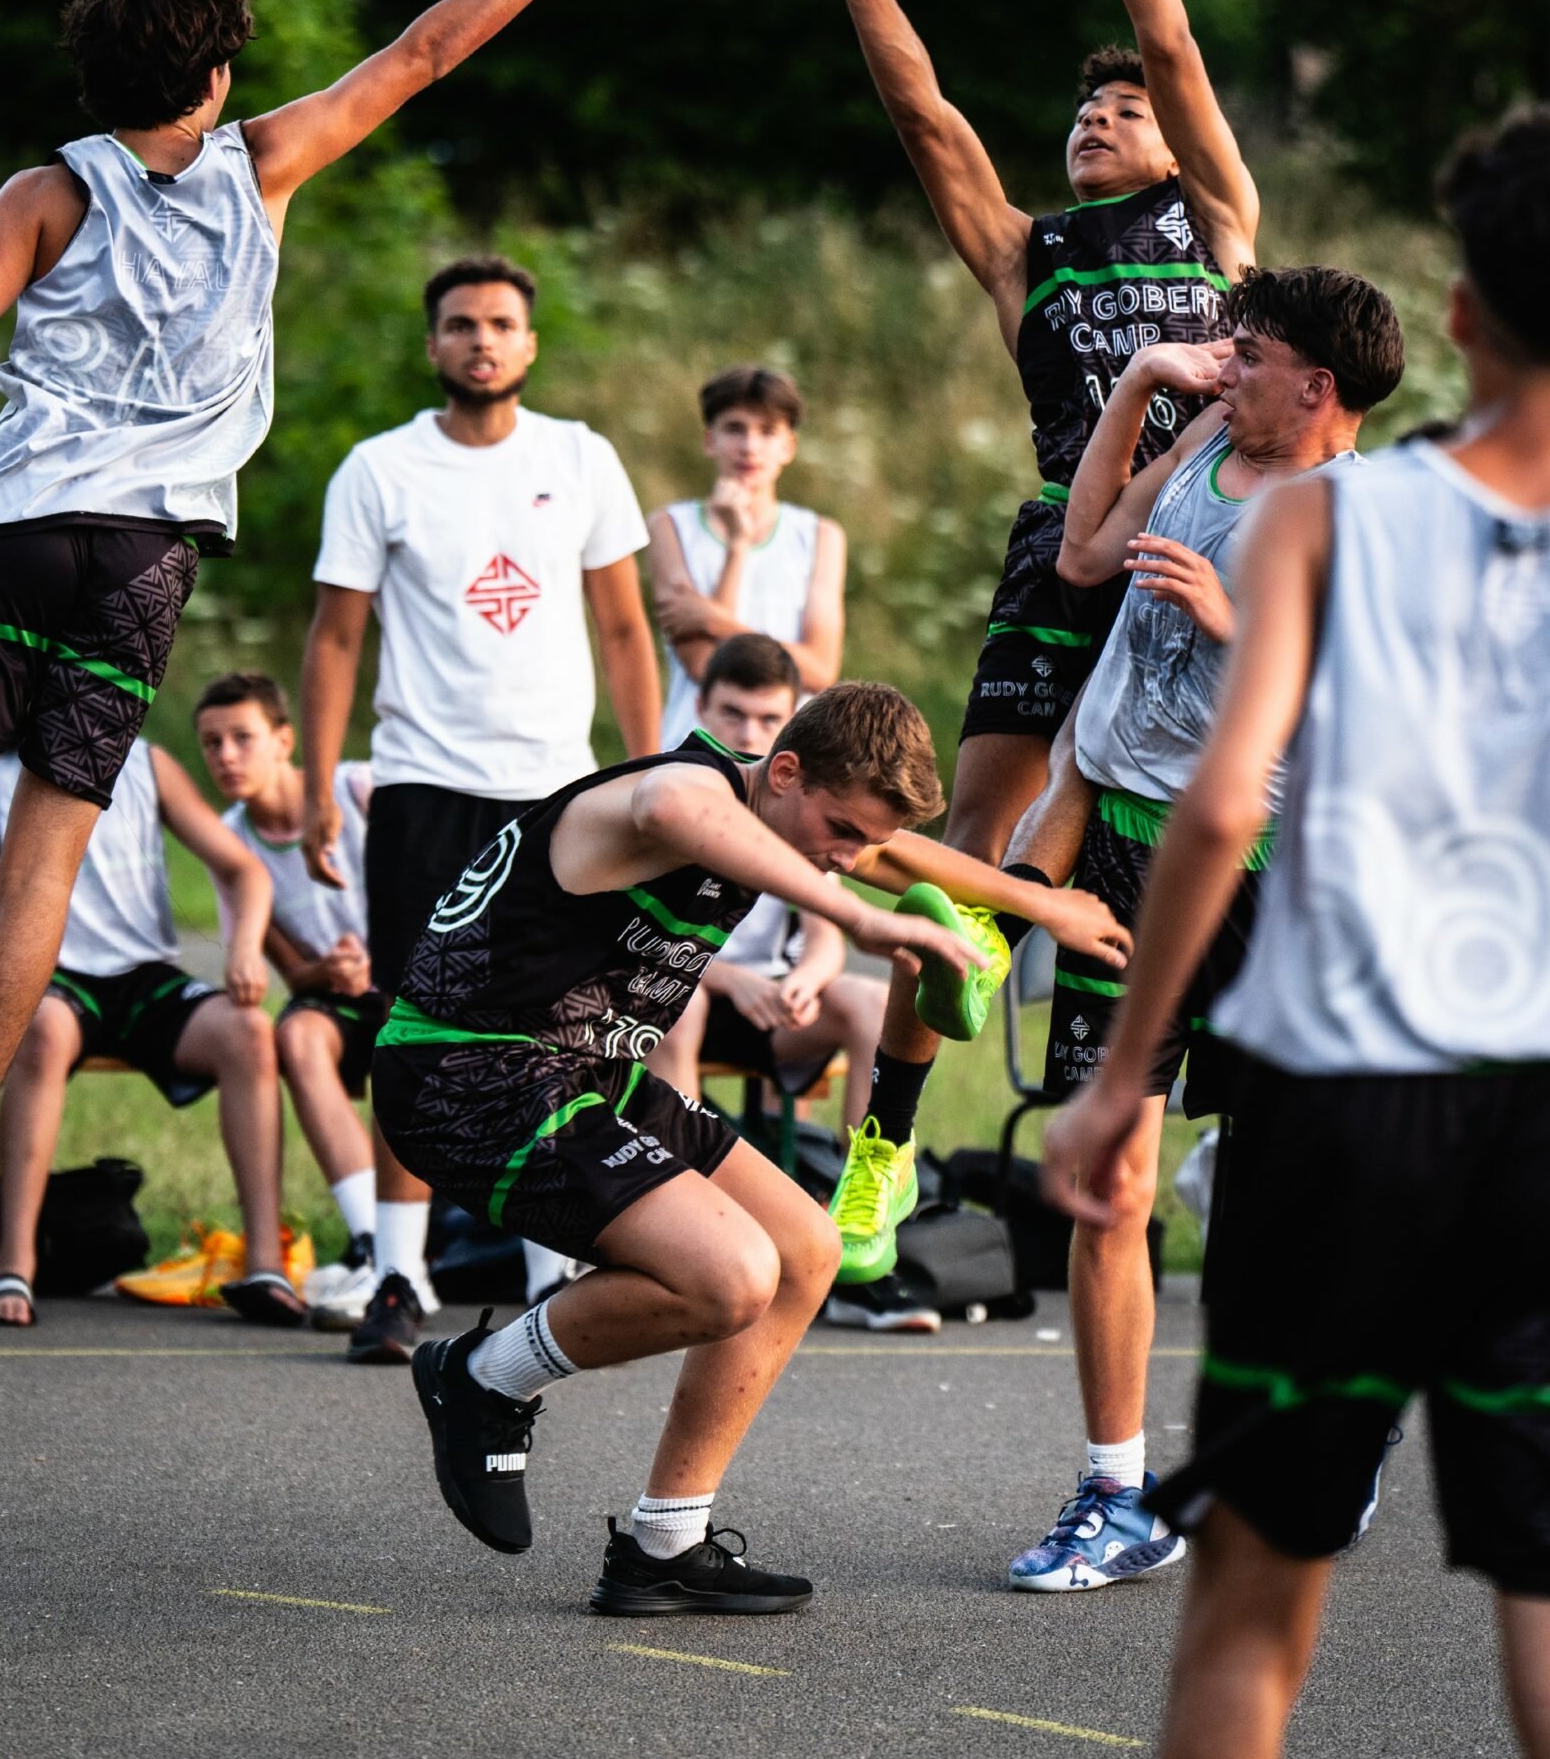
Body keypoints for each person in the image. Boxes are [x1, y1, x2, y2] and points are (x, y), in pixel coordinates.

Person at [0, 0, 664, 1278]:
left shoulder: (45, 191)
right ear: (219, 75)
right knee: (50, 854)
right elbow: (425, 52)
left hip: (6, 533)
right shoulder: (266, 164)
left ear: (93, 72)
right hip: (140, 560)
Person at [1042, 109, 1550, 1759]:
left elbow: (1216, 816)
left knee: (1250, 1614)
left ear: (1464, 314)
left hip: (1341, 1100)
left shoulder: (1330, 527)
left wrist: (1120, 1081)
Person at [760, 0, 1263, 1270]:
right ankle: (882, 1148)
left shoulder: (1215, 223)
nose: (1095, 120)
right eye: (1080, 111)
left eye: (1119, 110)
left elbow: (1168, 38)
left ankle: (1251, 1114)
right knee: (965, 841)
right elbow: (920, 113)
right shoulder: (1020, 254)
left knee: (1206, 827)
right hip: (1063, 534)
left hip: (1200, 543)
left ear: (1168, 141)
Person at [374, 681, 1076, 1612]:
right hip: (469, 1072)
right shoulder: (680, 795)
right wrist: (867, 924)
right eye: (839, 830)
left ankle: (665, 1541)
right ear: (781, 772)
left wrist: (1050, 910)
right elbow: (672, 805)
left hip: (586, 1073)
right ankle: (480, 1378)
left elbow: (900, 852)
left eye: (860, 843)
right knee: (730, 1276)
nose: (849, 859)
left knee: (804, 1251)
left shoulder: (790, 817)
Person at [1004, 267, 1404, 1592]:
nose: (1221, 368)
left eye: (1251, 355)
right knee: (1105, 1177)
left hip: (1271, 871)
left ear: (1319, 387)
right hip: (1124, 854)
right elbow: (1077, 556)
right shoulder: (1201, 446)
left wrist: (1237, 629)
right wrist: (1132, 391)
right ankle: (1114, 1493)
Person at [300, 251, 663, 1362]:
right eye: (461, 324)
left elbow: (624, 631)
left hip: (557, 790)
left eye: (501, 323)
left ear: (530, 343)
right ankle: (397, 1273)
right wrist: (321, 783)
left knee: (559, 1023)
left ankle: (552, 1267)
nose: (482, 340)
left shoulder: (580, 457)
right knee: (413, 1029)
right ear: (434, 345)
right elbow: (336, 637)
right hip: (422, 785)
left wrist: (652, 779)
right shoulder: (378, 468)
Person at [0, 738, 301, 1328]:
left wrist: (245, 947)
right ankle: (13, 1263)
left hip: (146, 982)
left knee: (249, 1031)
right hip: (58, 979)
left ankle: (265, 1263)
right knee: (40, 1027)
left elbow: (245, 869)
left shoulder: (145, 759)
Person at [194, 670, 383, 1324]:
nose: (225, 756)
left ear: (284, 740)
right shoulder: (229, 839)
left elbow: (443, 886)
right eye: (211, 744)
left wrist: (382, 957)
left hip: (416, 979)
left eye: (242, 738)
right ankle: (374, 1241)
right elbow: (289, 972)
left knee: (407, 1037)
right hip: (338, 996)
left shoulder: (357, 788)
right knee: (294, 1033)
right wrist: (327, 970)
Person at [646, 634, 883, 1125]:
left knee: (873, 1003)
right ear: (699, 708)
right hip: (671, 995)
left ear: (792, 722)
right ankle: (684, 1176)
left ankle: (862, 1185)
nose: (750, 735)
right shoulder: (673, 796)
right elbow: (641, 943)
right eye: (733, 713)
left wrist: (805, 980)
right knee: (678, 1008)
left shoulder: (796, 808)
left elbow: (825, 939)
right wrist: (733, 981)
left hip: (769, 1004)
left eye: (770, 719)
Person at [649, 367, 845, 747]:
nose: (750, 447)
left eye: (767, 431)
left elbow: (821, 668)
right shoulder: (670, 527)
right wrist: (738, 546)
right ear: (710, 440)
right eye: (735, 429)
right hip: (693, 748)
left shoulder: (821, 536)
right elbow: (703, 665)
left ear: (788, 446)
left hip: (790, 752)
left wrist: (715, 619)